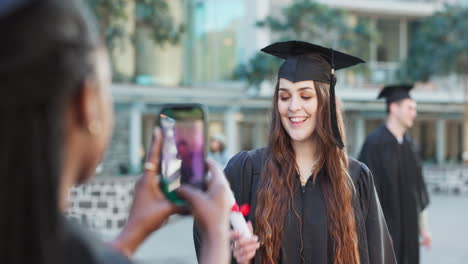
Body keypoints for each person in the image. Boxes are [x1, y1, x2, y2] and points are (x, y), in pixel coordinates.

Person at [0, 1, 230, 264]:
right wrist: (216, 235)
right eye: (105, 87)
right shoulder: (70, 249)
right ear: (85, 102)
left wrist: (133, 234)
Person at [194, 40, 397, 264]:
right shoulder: (246, 170)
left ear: (325, 103)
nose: (293, 106)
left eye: (306, 96)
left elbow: (379, 257)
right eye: (284, 96)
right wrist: (233, 254)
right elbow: (207, 233)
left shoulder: (355, 178)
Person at [359, 84, 431, 264]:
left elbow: (418, 190)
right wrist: (375, 232)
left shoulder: (410, 145)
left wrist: (423, 228)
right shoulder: (374, 144)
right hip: (385, 231)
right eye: (410, 108)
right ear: (393, 107)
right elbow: (365, 193)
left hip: (410, 230)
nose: (414, 113)